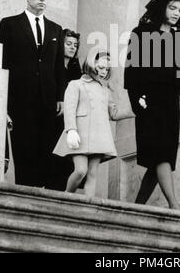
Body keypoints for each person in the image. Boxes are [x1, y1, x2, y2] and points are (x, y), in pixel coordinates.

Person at [124, 0, 180, 209]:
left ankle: (138, 207)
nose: (176, 13)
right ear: (162, 7)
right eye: (172, 8)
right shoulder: (141, 33)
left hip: (171, 106)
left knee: (159, 161)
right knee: (161, 156)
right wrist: (136, 102)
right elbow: (131, 72)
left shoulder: (179, 39)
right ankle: (175, 206)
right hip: (149, 104)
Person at [0, 0, 65, 188]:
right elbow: (0, 63)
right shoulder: (9, 24)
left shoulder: (55, 29)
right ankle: (27, 196)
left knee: (46, 153)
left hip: (48, 102)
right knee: (24, 151)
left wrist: (61, 97)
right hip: (19, 101)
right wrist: (2, 102)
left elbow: (58, 67)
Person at [53, 48, 135, 200]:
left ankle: (88, 205)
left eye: (107, 69)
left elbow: (114, 113)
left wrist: (135, 110)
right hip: (80, 134)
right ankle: (66, 197)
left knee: (92, 173)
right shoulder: (75, 84)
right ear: (92, 63)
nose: (104, 72)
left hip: (100, 135)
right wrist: (70, 129)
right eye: (101, 68)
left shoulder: (105, 90)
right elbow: (69, 109)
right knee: (80, 170)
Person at [48, 29, 82, 191]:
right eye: (68, 44)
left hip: (70, 120)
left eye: (75, 45)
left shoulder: (77, 69)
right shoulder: (51, 67)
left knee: (68, 159)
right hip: (54, 118)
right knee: (54, 155)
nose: (72, 48)